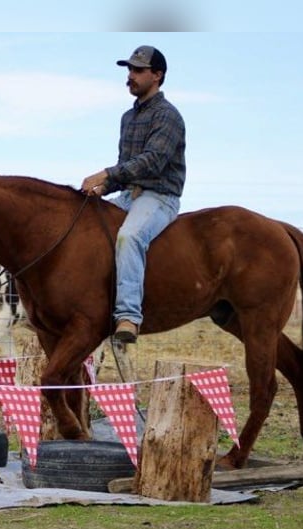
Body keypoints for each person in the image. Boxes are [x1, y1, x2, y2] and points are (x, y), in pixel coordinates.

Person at [81, 45, 186, 343]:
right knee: (88, 227)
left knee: (129, 237)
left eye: (138, 70)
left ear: (157, 75)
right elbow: (127, 167)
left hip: (160, 197)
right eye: (129, 70)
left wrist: (106, 174)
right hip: (129, 195)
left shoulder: (168, 116)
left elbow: (153, 161)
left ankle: (128, 316)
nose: (130, 76)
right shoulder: (128, 117)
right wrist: (104, 189)